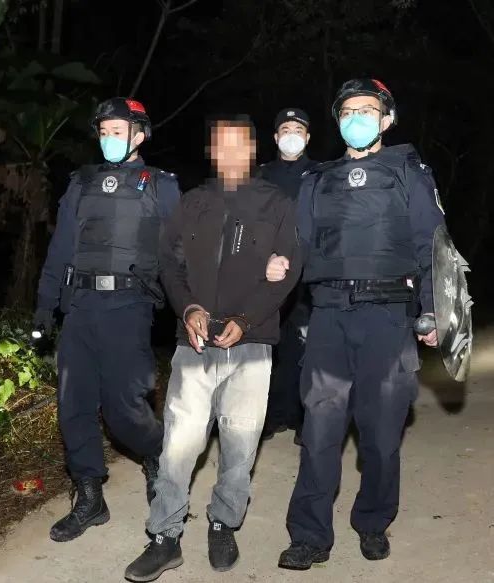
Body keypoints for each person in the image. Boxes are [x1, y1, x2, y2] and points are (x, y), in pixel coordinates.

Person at [265, 79, 443, 570]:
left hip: (388, 319)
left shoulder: (408, 172)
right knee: (319, 430)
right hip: (328, 318)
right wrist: (280, 263)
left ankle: (373, 521)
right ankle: (309, 535)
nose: (356, 118)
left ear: (387, 119)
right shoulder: (318, 180)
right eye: (347, 111)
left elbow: (432, 246)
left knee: (381, 435)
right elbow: (299, 244)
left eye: (366, 110)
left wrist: (434, 310)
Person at [124, 115, 302, 582]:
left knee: (240, 444)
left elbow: (290, 270)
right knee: (179, 443)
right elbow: (169, 264)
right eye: (221, 145)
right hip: (196, 344)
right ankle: (164, 536)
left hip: (252, 343)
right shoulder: (193, 202)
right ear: (212, 152)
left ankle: (224, 522)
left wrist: (247, 320)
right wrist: (188, 308)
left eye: (238, 145)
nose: (229, 154)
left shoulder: (277, 203)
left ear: (253, 150)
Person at [33, 97, 181, 543]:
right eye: (104, 131)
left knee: (123, 409)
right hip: (80, 307)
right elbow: (61, 247)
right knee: (73, 405)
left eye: (118, 131)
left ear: (140, 135)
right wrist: (45, 306)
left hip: (129, 307)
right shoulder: (81, 182)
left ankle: (156, 454)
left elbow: (178, 254)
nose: (109, 138)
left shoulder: (161, 186)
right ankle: (90, 496)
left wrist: (190, 309)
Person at [258, 108, 316, 442]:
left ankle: (307, 418)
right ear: (276, 137)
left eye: (298, 129)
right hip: (269, 274)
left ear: (307, 137)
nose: (291, 135)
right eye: (285, 129)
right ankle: (272, 414)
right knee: (272, 347)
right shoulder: (260, 176)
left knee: (311, 348)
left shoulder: (321, 175)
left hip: (310, 275)